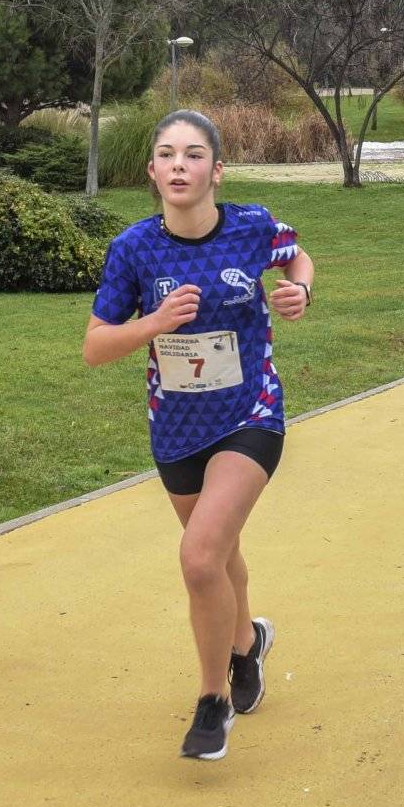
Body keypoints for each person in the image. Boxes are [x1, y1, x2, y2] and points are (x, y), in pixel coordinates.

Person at [84, 110, 314, 762]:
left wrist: (299, 290)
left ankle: (212, 701)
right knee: (219, 553)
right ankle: (246, 644)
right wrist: (152, 322)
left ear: (217, 169)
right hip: (178, 429)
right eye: (166, 154)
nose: (178, 165)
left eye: (192, 154)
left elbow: (297, 257)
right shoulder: (134, 248)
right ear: (153, 171)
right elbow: (96, 347)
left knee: (198, 555)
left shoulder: (251, 226)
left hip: (251, 414)